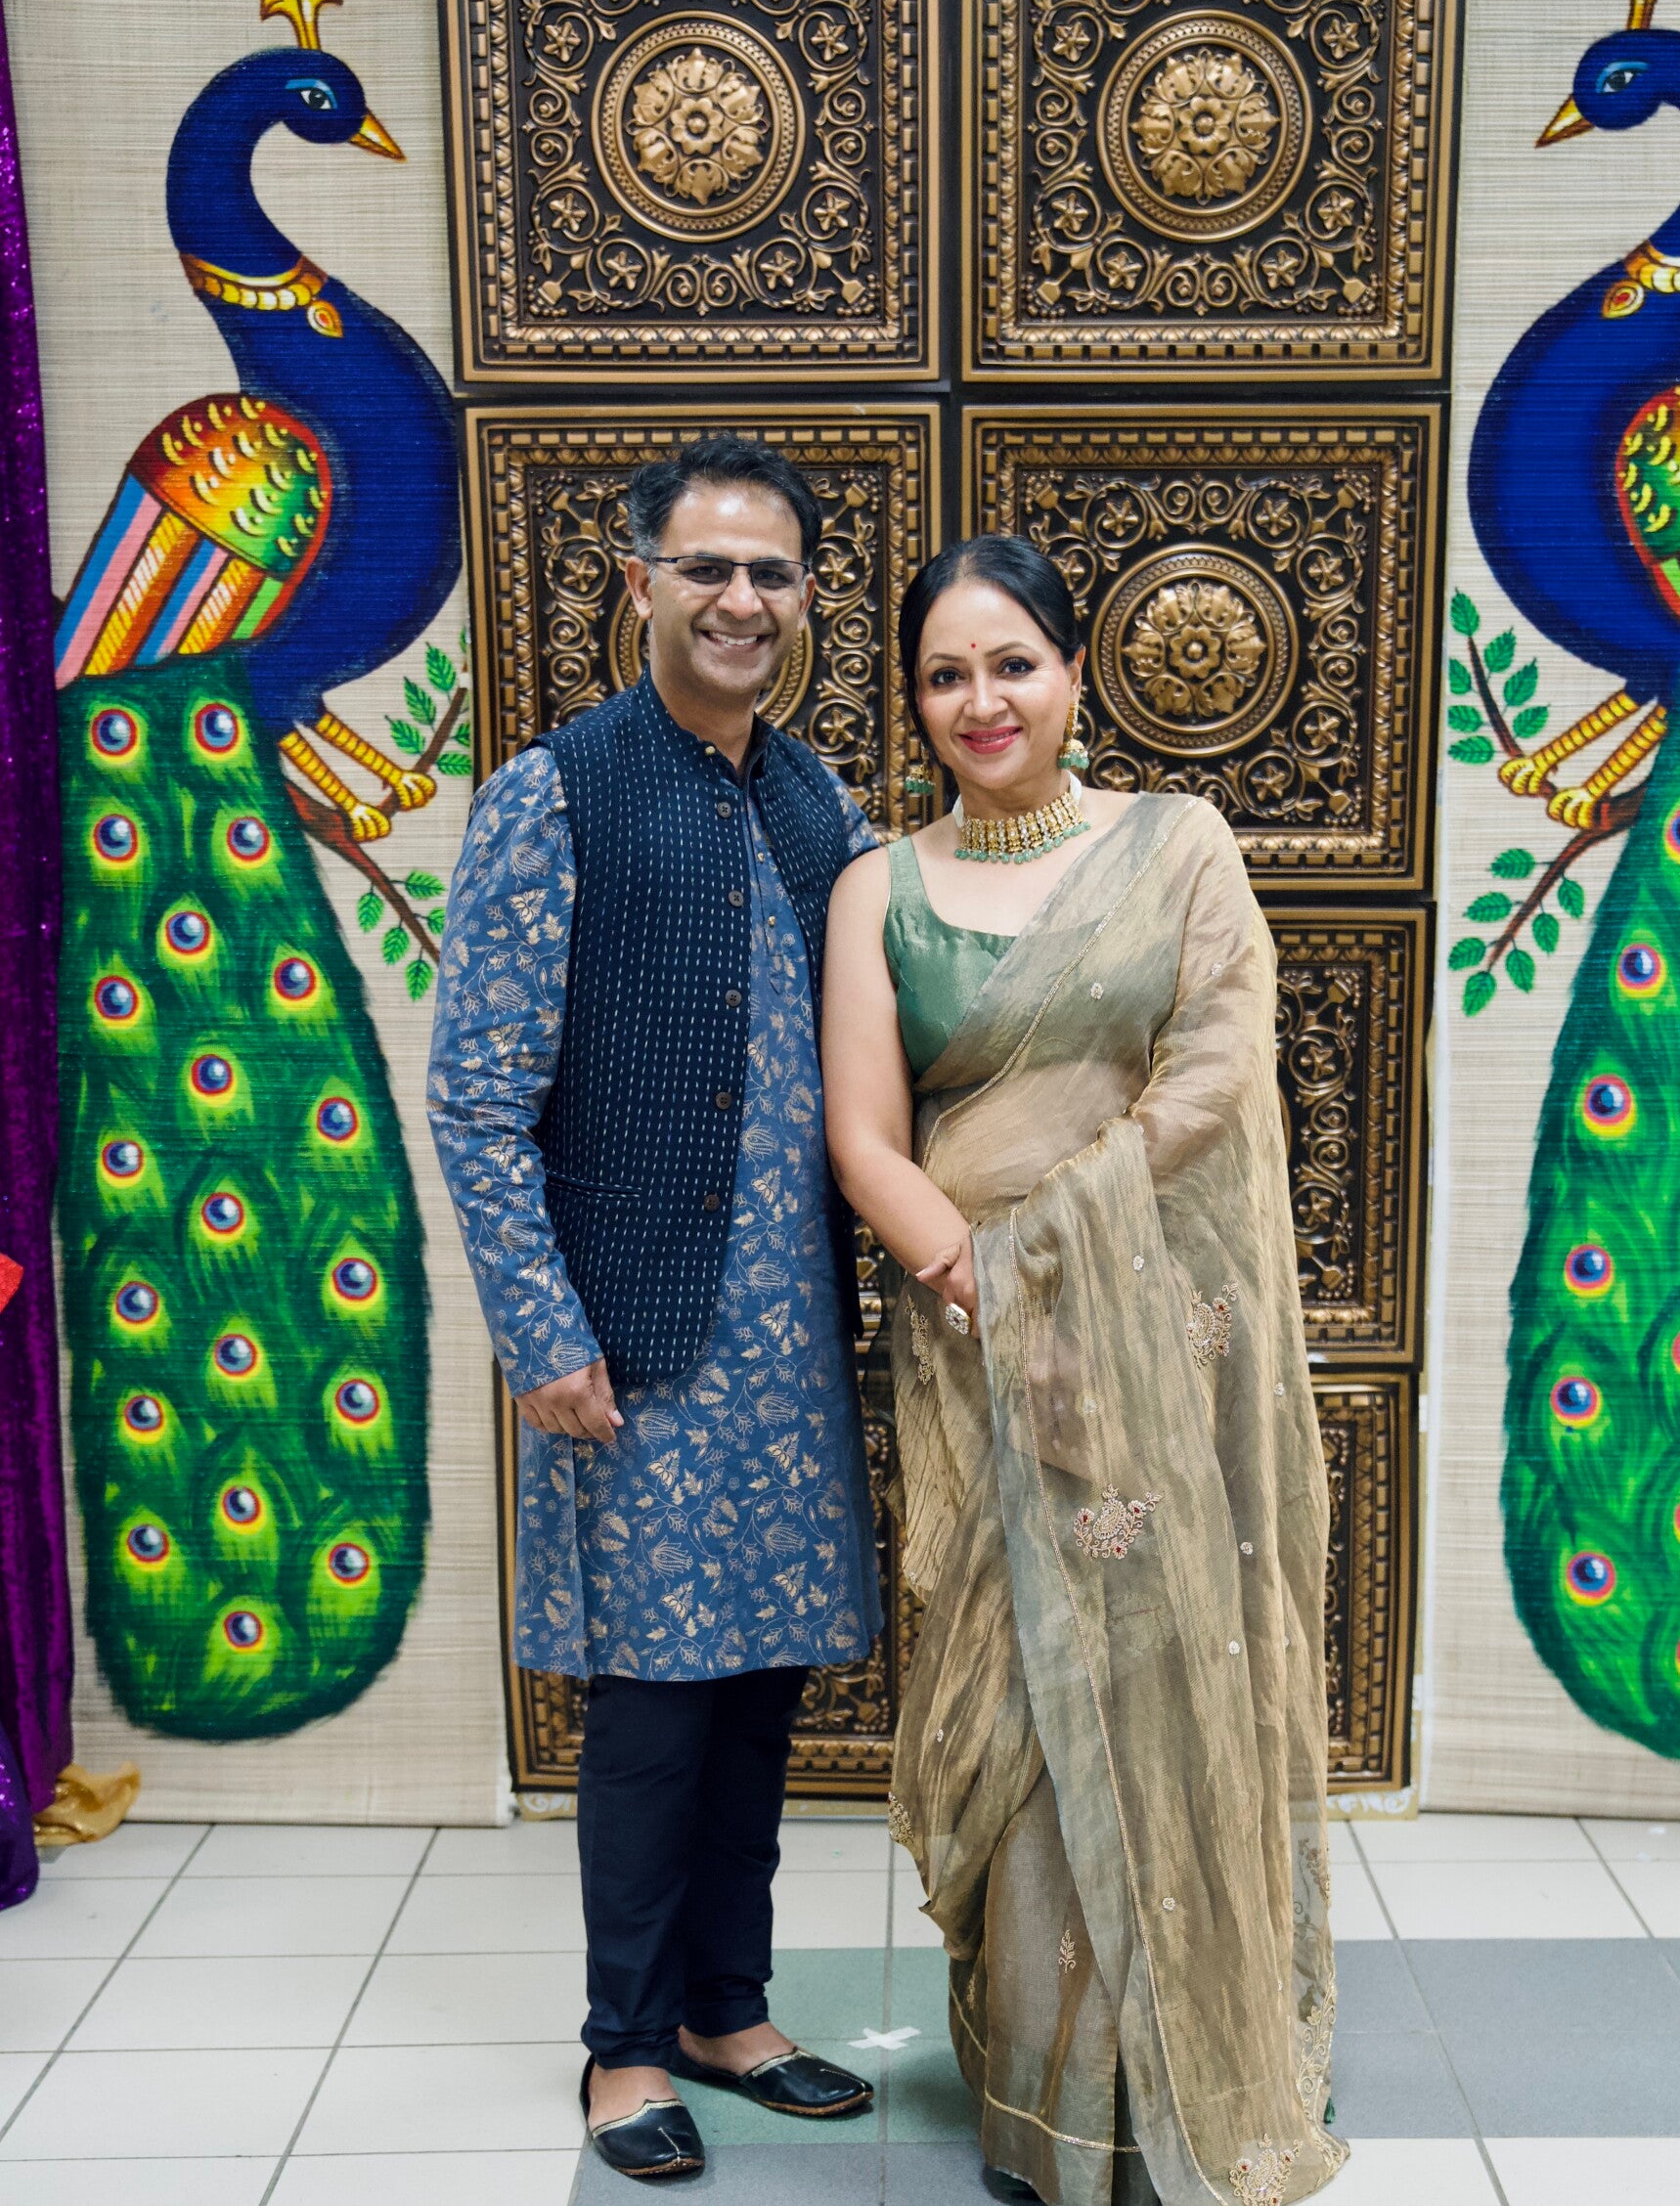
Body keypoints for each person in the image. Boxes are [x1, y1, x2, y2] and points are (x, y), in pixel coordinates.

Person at [821, 538, 1347, 2206]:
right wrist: (985, 1282)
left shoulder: (1176, 845)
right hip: (975, 1346)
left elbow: (1217, 1063)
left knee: (1162, 1657)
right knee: (1027, 1703)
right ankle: (1052, 2098)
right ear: (915, 703)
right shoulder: (877, 888)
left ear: (1070, 673)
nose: (981, 700)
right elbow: (865, 1134)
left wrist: (1063, 1256)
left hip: (1159, 1339)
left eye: (1012, 663)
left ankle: (1192, 2061)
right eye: (945, 675)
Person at [429, 436, 880, 2183]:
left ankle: (726, 2009)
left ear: (806, 594)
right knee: (652, 1705)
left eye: (772, 571)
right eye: (707, 568)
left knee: (760, 1687)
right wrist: (542, 1330)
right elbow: (477, 1095)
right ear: (640, 583)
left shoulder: (818, 802)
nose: (740, 599)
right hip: (636, 1333)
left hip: (793, 1337)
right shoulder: (555, 794)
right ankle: (624, 2046)